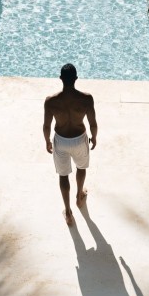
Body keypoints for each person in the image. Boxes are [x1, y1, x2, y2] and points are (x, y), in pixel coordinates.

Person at [43, 63, 98, 225]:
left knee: (63, 175)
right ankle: (79, 196)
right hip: (80, 139)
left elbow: (46, 126)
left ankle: (68, 212)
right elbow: (93, 123)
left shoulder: (51, 101)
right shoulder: (86, 99)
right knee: (81, 168)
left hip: (61, 140)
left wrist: (47, 140)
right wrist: (94, 137)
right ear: (76, 79)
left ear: (61, 79)